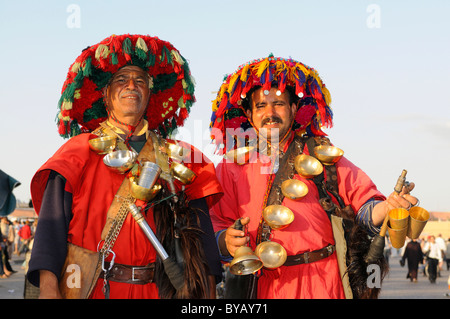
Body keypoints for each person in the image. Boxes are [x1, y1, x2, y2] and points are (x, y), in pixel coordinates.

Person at [27, 34, 223, 299]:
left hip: (161, 289)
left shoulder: (181, 157)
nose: (131, 85)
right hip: (93, 288)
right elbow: (51, 227)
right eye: (121, 80)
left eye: (140, 81)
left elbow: (203, 239)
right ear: (106, 97)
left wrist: (208, 294)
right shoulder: (77, 152)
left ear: (149, 95)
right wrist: (49, 289)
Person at [209, 55, 419, 299]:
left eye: (278, 104)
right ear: (249, 114)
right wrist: (225, 240)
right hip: (263, 287)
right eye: (260, 106)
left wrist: (387, 207)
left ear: (293, 109)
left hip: (324, 282)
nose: (270, 113)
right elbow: (215, 222)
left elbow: (363, 201)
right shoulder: (231, 166)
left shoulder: (323, 155)